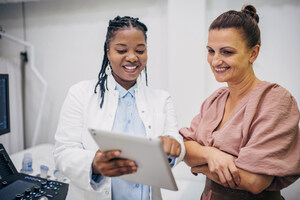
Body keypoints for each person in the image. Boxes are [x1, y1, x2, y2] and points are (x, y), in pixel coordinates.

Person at [54, 16, 185, 200]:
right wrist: (94, 164)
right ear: (108, 53)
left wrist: (173, 148)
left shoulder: (162, 99)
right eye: (121, 50)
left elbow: (176, 142)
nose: (132, 57)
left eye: (140, 50)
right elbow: (63, 152)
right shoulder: (80, 94)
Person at [180, 5, 300, 200]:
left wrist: (198, 164)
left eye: (227, 52)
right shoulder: (215, 100)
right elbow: (184, 146)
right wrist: (212, 155)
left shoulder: (275, 101)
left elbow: (254, 181)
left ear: (253, 53)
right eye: (211, 51)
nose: (215, 60)